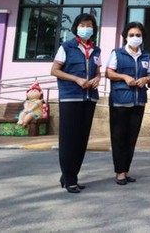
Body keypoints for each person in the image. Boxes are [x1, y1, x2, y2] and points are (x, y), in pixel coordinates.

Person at [50, 13, 101, 194]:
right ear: (76, 27)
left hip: (89, 98)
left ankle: (69, 176)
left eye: (89, 25)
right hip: (71, 97)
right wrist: (76, 79)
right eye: (82, 25)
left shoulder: (96, 50)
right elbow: (54, 70)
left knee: (81, 140)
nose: (86, 28)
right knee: (69, 139)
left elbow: (98, 71)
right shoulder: (67, 47)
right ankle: (70, 179)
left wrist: (97, 78)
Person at [105, 21, 150, 185]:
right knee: (119, 138)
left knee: (131, 138)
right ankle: (119, 172)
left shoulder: (146, 56)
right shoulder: (117, 53)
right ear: (125, 37)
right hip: (120, 101)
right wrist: (124, 77)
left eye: (138, 35)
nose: (135, 37)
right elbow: (109, 73)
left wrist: (146, 79)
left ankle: (126, 170)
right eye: (131, 35)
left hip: (138, 101)